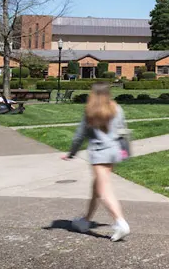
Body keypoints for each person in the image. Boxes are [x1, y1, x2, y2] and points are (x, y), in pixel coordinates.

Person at [62, 83, 131, 242]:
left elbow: (80, 136)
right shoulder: (117, 108)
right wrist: (124, 150)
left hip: (99, 153)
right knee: (98, 186)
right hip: (114, 151)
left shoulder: (90, 111)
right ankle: (85, 221)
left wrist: (71, 153)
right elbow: (123, 130)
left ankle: (120, 222)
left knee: (104, 189)